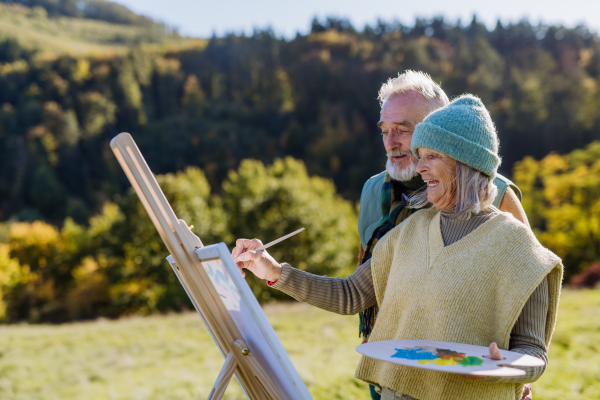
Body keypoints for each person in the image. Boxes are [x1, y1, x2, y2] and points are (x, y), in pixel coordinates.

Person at [232, 95, 563, 400]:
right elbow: (349, 295)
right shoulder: (407, 234)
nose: (419, 167)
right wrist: (273, 271)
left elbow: (534, 354)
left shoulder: (516, 246)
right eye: (420, 156)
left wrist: (504, 367)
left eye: (432, 156)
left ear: (465, 164)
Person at [357, 71, 529, 399]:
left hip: (470, 379)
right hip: (391, 369)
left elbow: (528, 286)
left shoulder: (496, 192)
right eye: (385, 131)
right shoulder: (371, 192)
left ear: (437, 130)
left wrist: (517, 371)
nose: (391, 142)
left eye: (403, 130)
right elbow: (363, 284)